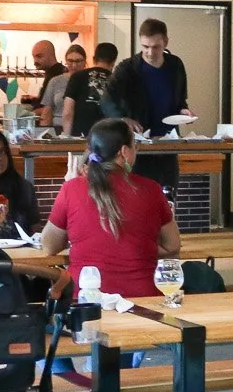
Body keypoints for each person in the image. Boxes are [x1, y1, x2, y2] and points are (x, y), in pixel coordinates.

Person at [38, 118, 182, 299]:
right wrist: (140, 248)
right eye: (135, 145)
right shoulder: (151, 189)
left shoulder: (71, 188)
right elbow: (172, 245)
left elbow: (49, 246)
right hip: (143, 298)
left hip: (86, 300)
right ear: (124, 152)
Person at [110, 20, 191, 190]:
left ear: (165, 42)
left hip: (167, 143)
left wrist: (184, 111)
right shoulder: (127, 68)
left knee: (168, 193)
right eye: (145, 46)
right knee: (138, 192)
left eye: (156, 47)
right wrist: (123, 118)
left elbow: (180, 100)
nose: (150, 52)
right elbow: (107, 99)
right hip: (138, 144)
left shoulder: (175, 65)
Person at [61, 41, 117, 139]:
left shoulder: (77, 77)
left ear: (94, 59)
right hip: (108, 138)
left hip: (80, 136)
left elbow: (68, 112)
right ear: (113, 62)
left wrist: (66, 136)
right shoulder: (118, 81)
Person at [35, 42, 83, 129]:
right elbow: (47, 112)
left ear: (84, 62)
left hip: (83, 128)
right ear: (66, 61)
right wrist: (44, 132)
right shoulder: (55, 81)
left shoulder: (89, 81)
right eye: (70, 61)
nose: (74, 65)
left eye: (78, 61)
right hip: (58, 127)